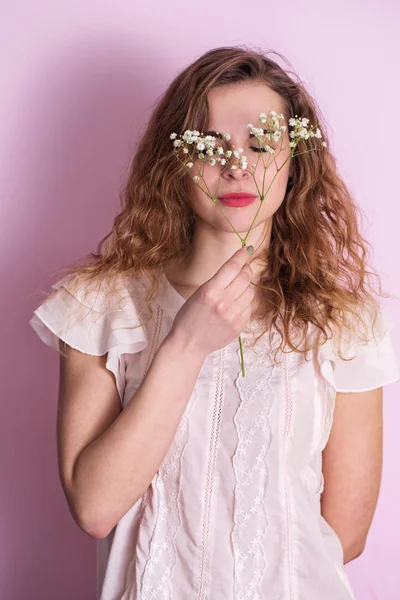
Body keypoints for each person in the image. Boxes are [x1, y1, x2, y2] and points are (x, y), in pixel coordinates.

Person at [29, 46, 400, 600]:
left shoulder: (344, 325)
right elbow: (95, 507)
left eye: (261, 143)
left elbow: (344, 535)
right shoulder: (99, 306)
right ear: (176, 160)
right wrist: (186, 344)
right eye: (211, 145)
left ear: (295, 160)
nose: (236, 165)